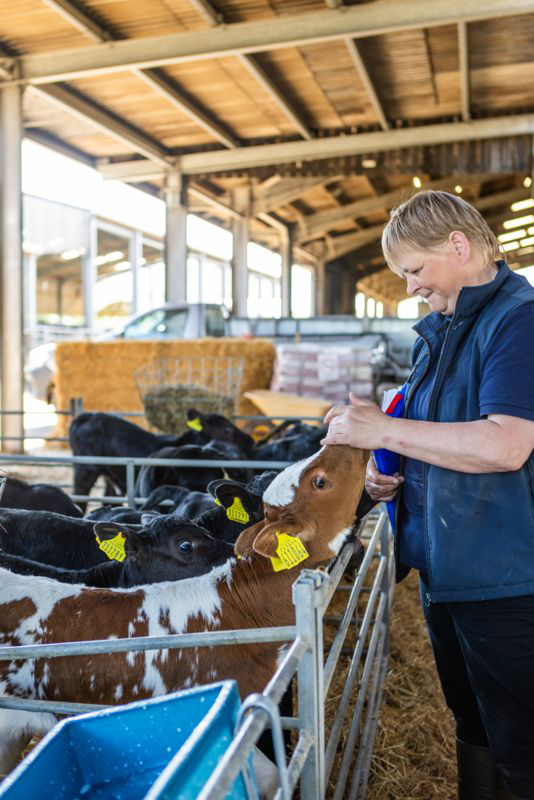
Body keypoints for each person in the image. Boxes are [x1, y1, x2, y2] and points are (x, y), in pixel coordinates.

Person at [321, 190, 534, 800]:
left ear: (458, 246)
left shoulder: (517, 321)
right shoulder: (436, 335)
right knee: (473, 724)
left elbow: (506, 445)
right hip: (450, 570)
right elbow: (436, 434)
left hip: (508, 579)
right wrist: (389, 471)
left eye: (414, 270)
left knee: (521, 741)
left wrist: (384, 430)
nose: (411, 287)